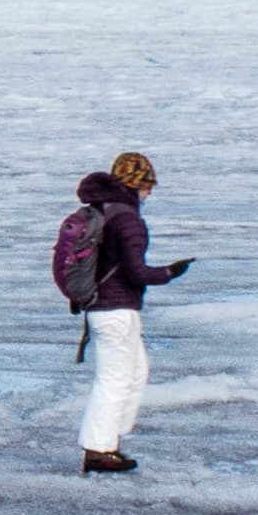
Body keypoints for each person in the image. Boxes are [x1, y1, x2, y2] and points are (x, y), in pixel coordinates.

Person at [75, 150, 189, 475]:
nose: (149, 193)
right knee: (113, 378)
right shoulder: (127, 219)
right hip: (115, 310)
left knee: (136, 372)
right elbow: (136, 272)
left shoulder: (102, 211)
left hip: (107, 307)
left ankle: (109, 438)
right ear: (135, 184)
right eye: (147, 185)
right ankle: (99, 450)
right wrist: (170, 273)